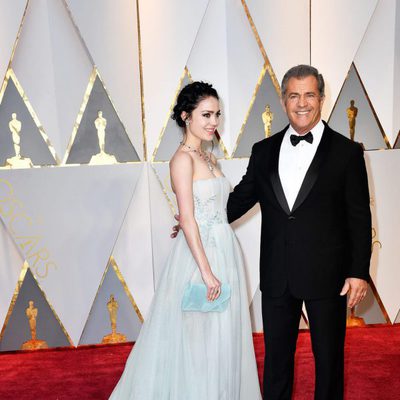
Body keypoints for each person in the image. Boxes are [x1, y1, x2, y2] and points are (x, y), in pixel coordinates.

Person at [226, 65, 371, 399]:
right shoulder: (263, 152)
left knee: (329, 362)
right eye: (294, 95)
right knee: (276, 362)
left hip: (328, 275)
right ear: (283, 100)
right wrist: (196, 218)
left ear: (321, 98)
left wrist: (358, 272)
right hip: (277, 274)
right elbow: (238, 202)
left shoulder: (347, 153)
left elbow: (360, 217)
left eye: (309, 94)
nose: (301, 103)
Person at [109, 82, 261, 399]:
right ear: (185, 116)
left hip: (225, 250)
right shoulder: (182, 160)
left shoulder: (209, 159)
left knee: (222, 340)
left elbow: (215, 207)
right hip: (199, 258)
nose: (213, 122)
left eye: (217, 114)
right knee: (199, 341)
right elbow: (189, 216)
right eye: (205, 114)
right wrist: (205, 272)